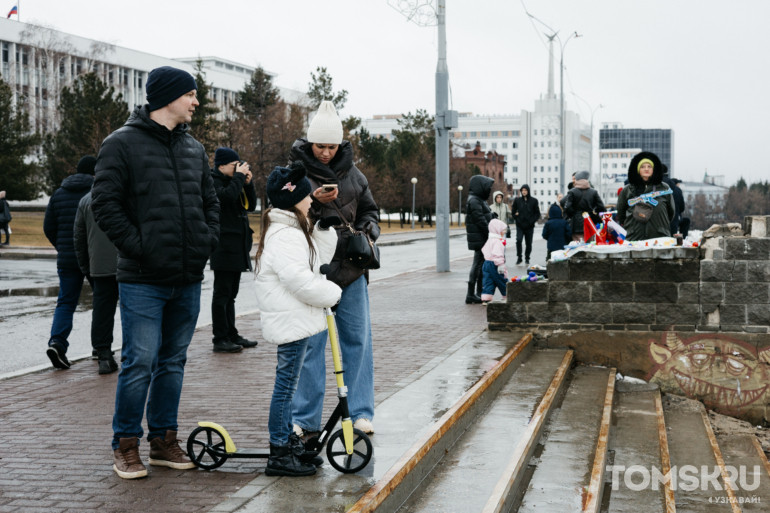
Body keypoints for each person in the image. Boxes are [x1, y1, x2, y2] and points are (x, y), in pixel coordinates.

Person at [91, 66, 219, 480]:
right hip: (143, 279)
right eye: (191, 94)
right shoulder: (121, 144)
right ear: (168, 96)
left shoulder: (193, 149)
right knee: (139, 361)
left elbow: (210, 202)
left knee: (173, 361)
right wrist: (141, 247)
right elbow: (105, 206)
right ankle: (125, 445)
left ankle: (164, 441)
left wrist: (206, 240)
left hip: (187, 277)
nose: (196, 101)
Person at [288, 100, 380, 437]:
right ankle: (304, 417)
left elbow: (370, 212)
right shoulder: (294, 173)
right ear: (310, 143)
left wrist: (369, 231)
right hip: (314, 272)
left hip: (352, 271)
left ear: (340, 144)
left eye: (331, 146)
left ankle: (360, 413)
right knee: (310, 345)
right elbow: (285, 217)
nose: (326, 152)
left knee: (357, 341)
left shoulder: (356, 176)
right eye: (320, 146)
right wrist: (315, 204)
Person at [255, 162, 342, 477]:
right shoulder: (286, 236)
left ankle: (286, 441)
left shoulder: (292, 230)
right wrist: (332, 294)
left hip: (295, 319)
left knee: (288, 384)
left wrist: (321, 226)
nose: (310, 200)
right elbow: (301, 281)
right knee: (285, 385)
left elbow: (319, 259)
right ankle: (279, 450)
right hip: (291, 322)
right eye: (306, 195)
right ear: (293, 199)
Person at [43, 156, 95, 370]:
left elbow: (49, 227)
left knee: (65, 301)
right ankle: (101, 347)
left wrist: (62, 247)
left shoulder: (59, 193)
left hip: (67, 257)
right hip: (93, 256)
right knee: (103, 300)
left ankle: (57, 342)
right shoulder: (97, 192)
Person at [209, 147, 258, 353]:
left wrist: (248, 183)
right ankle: (220, 338)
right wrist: (238, 178)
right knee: (222, 294)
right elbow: (226, 198)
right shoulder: (213, 181)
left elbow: (251, 205)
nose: (237, 168)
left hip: (237, 245)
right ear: (221, 165)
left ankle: (231, 333)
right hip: (222, 245)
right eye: (233, 165)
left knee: (231, 294)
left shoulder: (233, 182)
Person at [74, 186, 120, 374]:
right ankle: (134, 351)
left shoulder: (86, 200)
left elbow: (79, 238)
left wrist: (87, 267)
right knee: (133, 308)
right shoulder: (126, 193)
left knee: (102, 310)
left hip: (99, 265)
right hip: (130, 262)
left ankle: (103, 354)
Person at [617, 152, 674, 241]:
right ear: (638, 169)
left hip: (659, 237)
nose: (646, 169)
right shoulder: (627, 190)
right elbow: (621, 214)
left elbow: (671, 212)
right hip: (634, 237)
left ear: (654, 169)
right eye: (642, 167)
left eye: (649, 166)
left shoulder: (664, 188)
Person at [464, 174, 495, 304]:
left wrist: (492, 216)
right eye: (488, 187)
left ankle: (479, 292)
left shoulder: (479, 200)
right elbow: (480, 220)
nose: (489, 190)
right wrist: (490, 231)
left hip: (482, 238)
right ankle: (471, 294)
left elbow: (484, 215)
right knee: (477, 265)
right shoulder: (474, 200)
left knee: (481, 265)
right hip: (480, 238)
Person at [562, 171, 605, 242]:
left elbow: (567, 207)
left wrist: (574, 214)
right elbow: (601, 207)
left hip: (576, 224)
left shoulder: (572, 192)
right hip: (590, 222)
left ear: (577, 180)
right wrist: (593, 213)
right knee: (589, 245)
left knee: (578, 247)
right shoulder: (593, 192)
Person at [480, 218, 509, 305]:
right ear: (497, 230)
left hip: (487, 263)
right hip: (495, 264)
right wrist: (500, 264)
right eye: (503, 230)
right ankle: (507, 295)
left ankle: (486, 298)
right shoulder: (497, 241)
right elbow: (497, 254)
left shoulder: (490, 240)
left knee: (488, 280)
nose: (504, 232)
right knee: (501, 280)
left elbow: (484, 249)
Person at [510, 184, 541, 265]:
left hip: (529, 226)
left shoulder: (534, 201)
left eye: (525, 190)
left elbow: (537, 214)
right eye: (522, 190)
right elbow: (513, 212)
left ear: (528, 191)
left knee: (528, 243)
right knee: (519, 240)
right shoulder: (517, 200)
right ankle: (519, 257)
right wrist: (516, 218)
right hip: (520, 225)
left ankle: (527, 258)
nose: (524, 192)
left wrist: (532, 221)